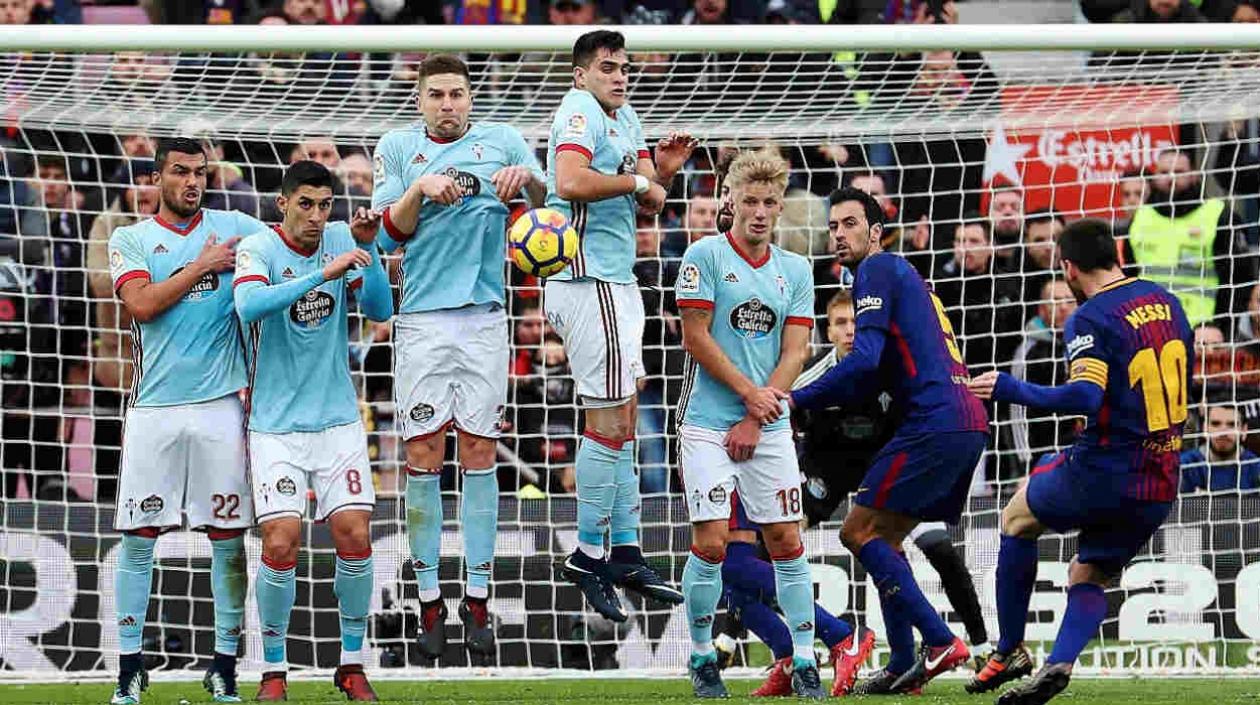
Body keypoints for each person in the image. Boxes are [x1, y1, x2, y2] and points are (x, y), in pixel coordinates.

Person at [968, 218, 1193, 705]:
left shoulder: (1090, 317)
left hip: (1105, 466)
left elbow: (1086, 397)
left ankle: (1009, 650)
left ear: (1068, 268)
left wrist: (1010, 387)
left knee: (1016, 518)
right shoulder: (1168, 302)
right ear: (1117, 254)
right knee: (1089, 573)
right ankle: (1060, 662)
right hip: (1161, 476)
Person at [371, 54, 546, 659]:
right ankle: (428, 602)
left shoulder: (504, 141)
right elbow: (386, 236)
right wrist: (419, 189)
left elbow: (549, 204)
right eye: (437, 95)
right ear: (419, 100)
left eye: (457, 94)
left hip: (486, 319)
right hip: (421, 320)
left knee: (478, 451)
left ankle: (477, 598)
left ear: (471, 98)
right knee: (422, 454)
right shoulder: (397, 148)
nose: (448, 104)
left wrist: (526, 182)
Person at [791, 187, 989, 695]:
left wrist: (795, 400)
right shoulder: (908, 278)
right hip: (964, 417)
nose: (839, 235)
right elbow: (878, 369)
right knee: (887, 540)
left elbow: (863, 361)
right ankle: (903, 662)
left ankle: (941, 641)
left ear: (876, 232)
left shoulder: (876, 269)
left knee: (857, 531)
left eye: (850, 224)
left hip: (933, 421)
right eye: (833, 226)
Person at [106, 137, 270, 704]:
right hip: (153, 409)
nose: (192, 182)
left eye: (200, 172)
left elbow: (291, 241)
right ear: (157, 179)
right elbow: (142, 305)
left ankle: (224, 665)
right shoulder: (131, 239)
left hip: (222, 405)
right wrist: (202, 266)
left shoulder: (236, 227)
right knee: (139, 536)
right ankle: (130, 667)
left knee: (227, 537)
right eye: (180, 172)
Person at [544, 29, 694, 621]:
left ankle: (627, 552)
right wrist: (638, 181)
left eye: (624, 67)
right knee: (606, 422)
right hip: (589, 282)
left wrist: (664, 174)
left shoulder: (625, 116)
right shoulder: (578, 111)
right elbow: (569, 181)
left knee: (625, 421)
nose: (620, 76)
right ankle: (587, 555)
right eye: (608, 67)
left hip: (617, 281)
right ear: (581, 74)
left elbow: (651, 200)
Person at [232, 161, 391, 701]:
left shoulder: (343, 238)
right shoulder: (259, 248)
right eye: (306, 204)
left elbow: (379, 308)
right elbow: (249, 306)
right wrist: (323, 276)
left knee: (355, 534)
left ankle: (352, 663)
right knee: (281, 542)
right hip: (274, 425)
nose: (317, 216)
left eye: (325, 206)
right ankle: (274, 669)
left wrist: (368, 251)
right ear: (283, 204)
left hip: (338, 420)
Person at [675, 147, 822, 698]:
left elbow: (796, 349)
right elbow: (695, 337)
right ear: (731, 201)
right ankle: (701, 654)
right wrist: (749, 398)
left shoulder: (796, 269)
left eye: (769, 203)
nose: (759, 212)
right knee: (713, 543)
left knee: (785, 539)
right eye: (750, 201)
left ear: (781, 207)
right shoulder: (704, 256)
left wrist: (759, 417)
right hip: (707, 423)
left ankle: (805, 659)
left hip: (768, 424)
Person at [1180, 402, 1260, 493]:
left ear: (1244, 430)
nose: (1223, 432)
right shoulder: (1183, 466)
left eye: (1231, 424)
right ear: (1205, 428)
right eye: (1215, 424)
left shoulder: (1256, 468)